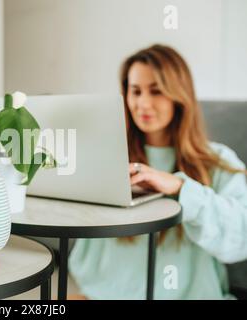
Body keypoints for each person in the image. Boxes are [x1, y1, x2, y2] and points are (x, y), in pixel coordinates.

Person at [68, 44, 247, 300]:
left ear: (179, 95)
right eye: (135, 91)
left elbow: (241, 239)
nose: (143, 103)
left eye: (156, 91)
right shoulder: (109, 156)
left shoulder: (217, 161)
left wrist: (181, 189)